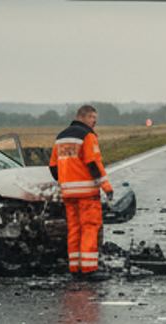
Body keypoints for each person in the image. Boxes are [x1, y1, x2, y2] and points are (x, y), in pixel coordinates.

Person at [49, 105, 114, 279]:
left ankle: (75, 268)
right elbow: (93, 164)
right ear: (82, 117)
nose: (95, 121)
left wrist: (67, 180)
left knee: (74, 229)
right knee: (89, 228)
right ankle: (89, 269)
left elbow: (53, 168)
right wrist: (107, 187)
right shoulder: (88, 136)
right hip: (87, 193)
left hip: (68, 194)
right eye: (92, 117)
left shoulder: (61, 138)